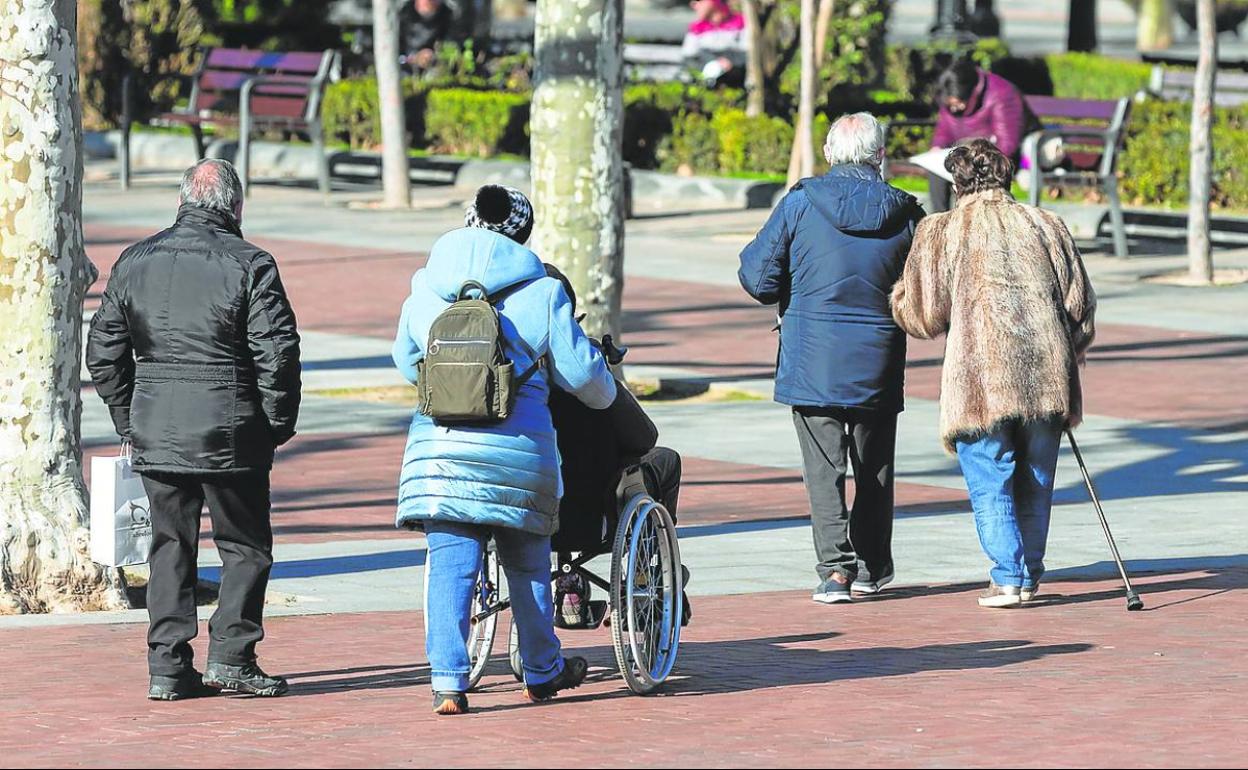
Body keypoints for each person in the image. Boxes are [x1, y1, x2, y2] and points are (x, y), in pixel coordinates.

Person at [392, 185, 617, 715]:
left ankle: (448, 680)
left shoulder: (427, 285)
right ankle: (541, 669)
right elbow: (585, 375)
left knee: (451, 565)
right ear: (523, 234)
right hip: (519, 455)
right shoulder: (541, 292)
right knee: (528, 566)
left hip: (440, 454)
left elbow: (407, 363)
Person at [86, 159, 301, 701]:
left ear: (183, 200)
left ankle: (168, 666)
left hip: (158, 427)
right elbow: (277, 354)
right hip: (231, 430)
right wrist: (275, 423)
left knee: (169, 548)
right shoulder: (251, 262)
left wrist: (128, 419)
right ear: (235, 206)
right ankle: (231, 654)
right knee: (245, 548)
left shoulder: (135, 260)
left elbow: (104, 352)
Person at [891, 139, 1096, 609]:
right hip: (1047, 371)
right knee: (1036, 475)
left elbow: (923, 314)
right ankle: (1027, 574)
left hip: (979, 378)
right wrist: (1073, 346)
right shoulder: (1046, 223)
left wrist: (899, 296)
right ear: (1006, 176)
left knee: (990, 474)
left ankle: (1007, 576)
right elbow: (1079, 307)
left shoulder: (941, 231)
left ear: (956, 182)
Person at [738, 113, 924, 606]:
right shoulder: (907, 213)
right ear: (879, 155)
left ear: (828, 154)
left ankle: (835, 572)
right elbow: (926, 292)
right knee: (875, 465)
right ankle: (871, 567)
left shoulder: (800, 203)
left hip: (812, 356)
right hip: (878, 355)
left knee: (823, 469)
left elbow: (758, 279)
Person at [540, 264, 689, 627]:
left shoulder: (509, 376)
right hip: (594, 515)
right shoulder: (588, 369)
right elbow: (644, 438)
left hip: (526, 510)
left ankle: (569, 580)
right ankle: (647, 571)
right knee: (664, 460)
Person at [928, 58, 1039, 213]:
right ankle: (941, 221)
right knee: (936, 170)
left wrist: (974, 158)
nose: (954, 109)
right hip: (966, 154)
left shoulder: (1002, 94)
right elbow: (944, 129)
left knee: (973, 172)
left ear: (971, 93)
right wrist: (937, 146)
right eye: (950, 105)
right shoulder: (951, 97)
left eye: (958, 104)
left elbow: (1007, 144)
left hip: (997, 157)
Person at [681, 0, 748, 86]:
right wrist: (713, 62)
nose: (693, 5)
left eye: (699, 1)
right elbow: (689, 57)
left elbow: (748, 53)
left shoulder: (741, 23)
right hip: (705, 82)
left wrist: (731, 63)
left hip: (736, 79)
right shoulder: (696, 28)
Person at [401, 0, 453, 71]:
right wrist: (413, 58)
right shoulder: (402, 13)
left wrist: (434, 56)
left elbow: (452, 47)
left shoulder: (449, 15)